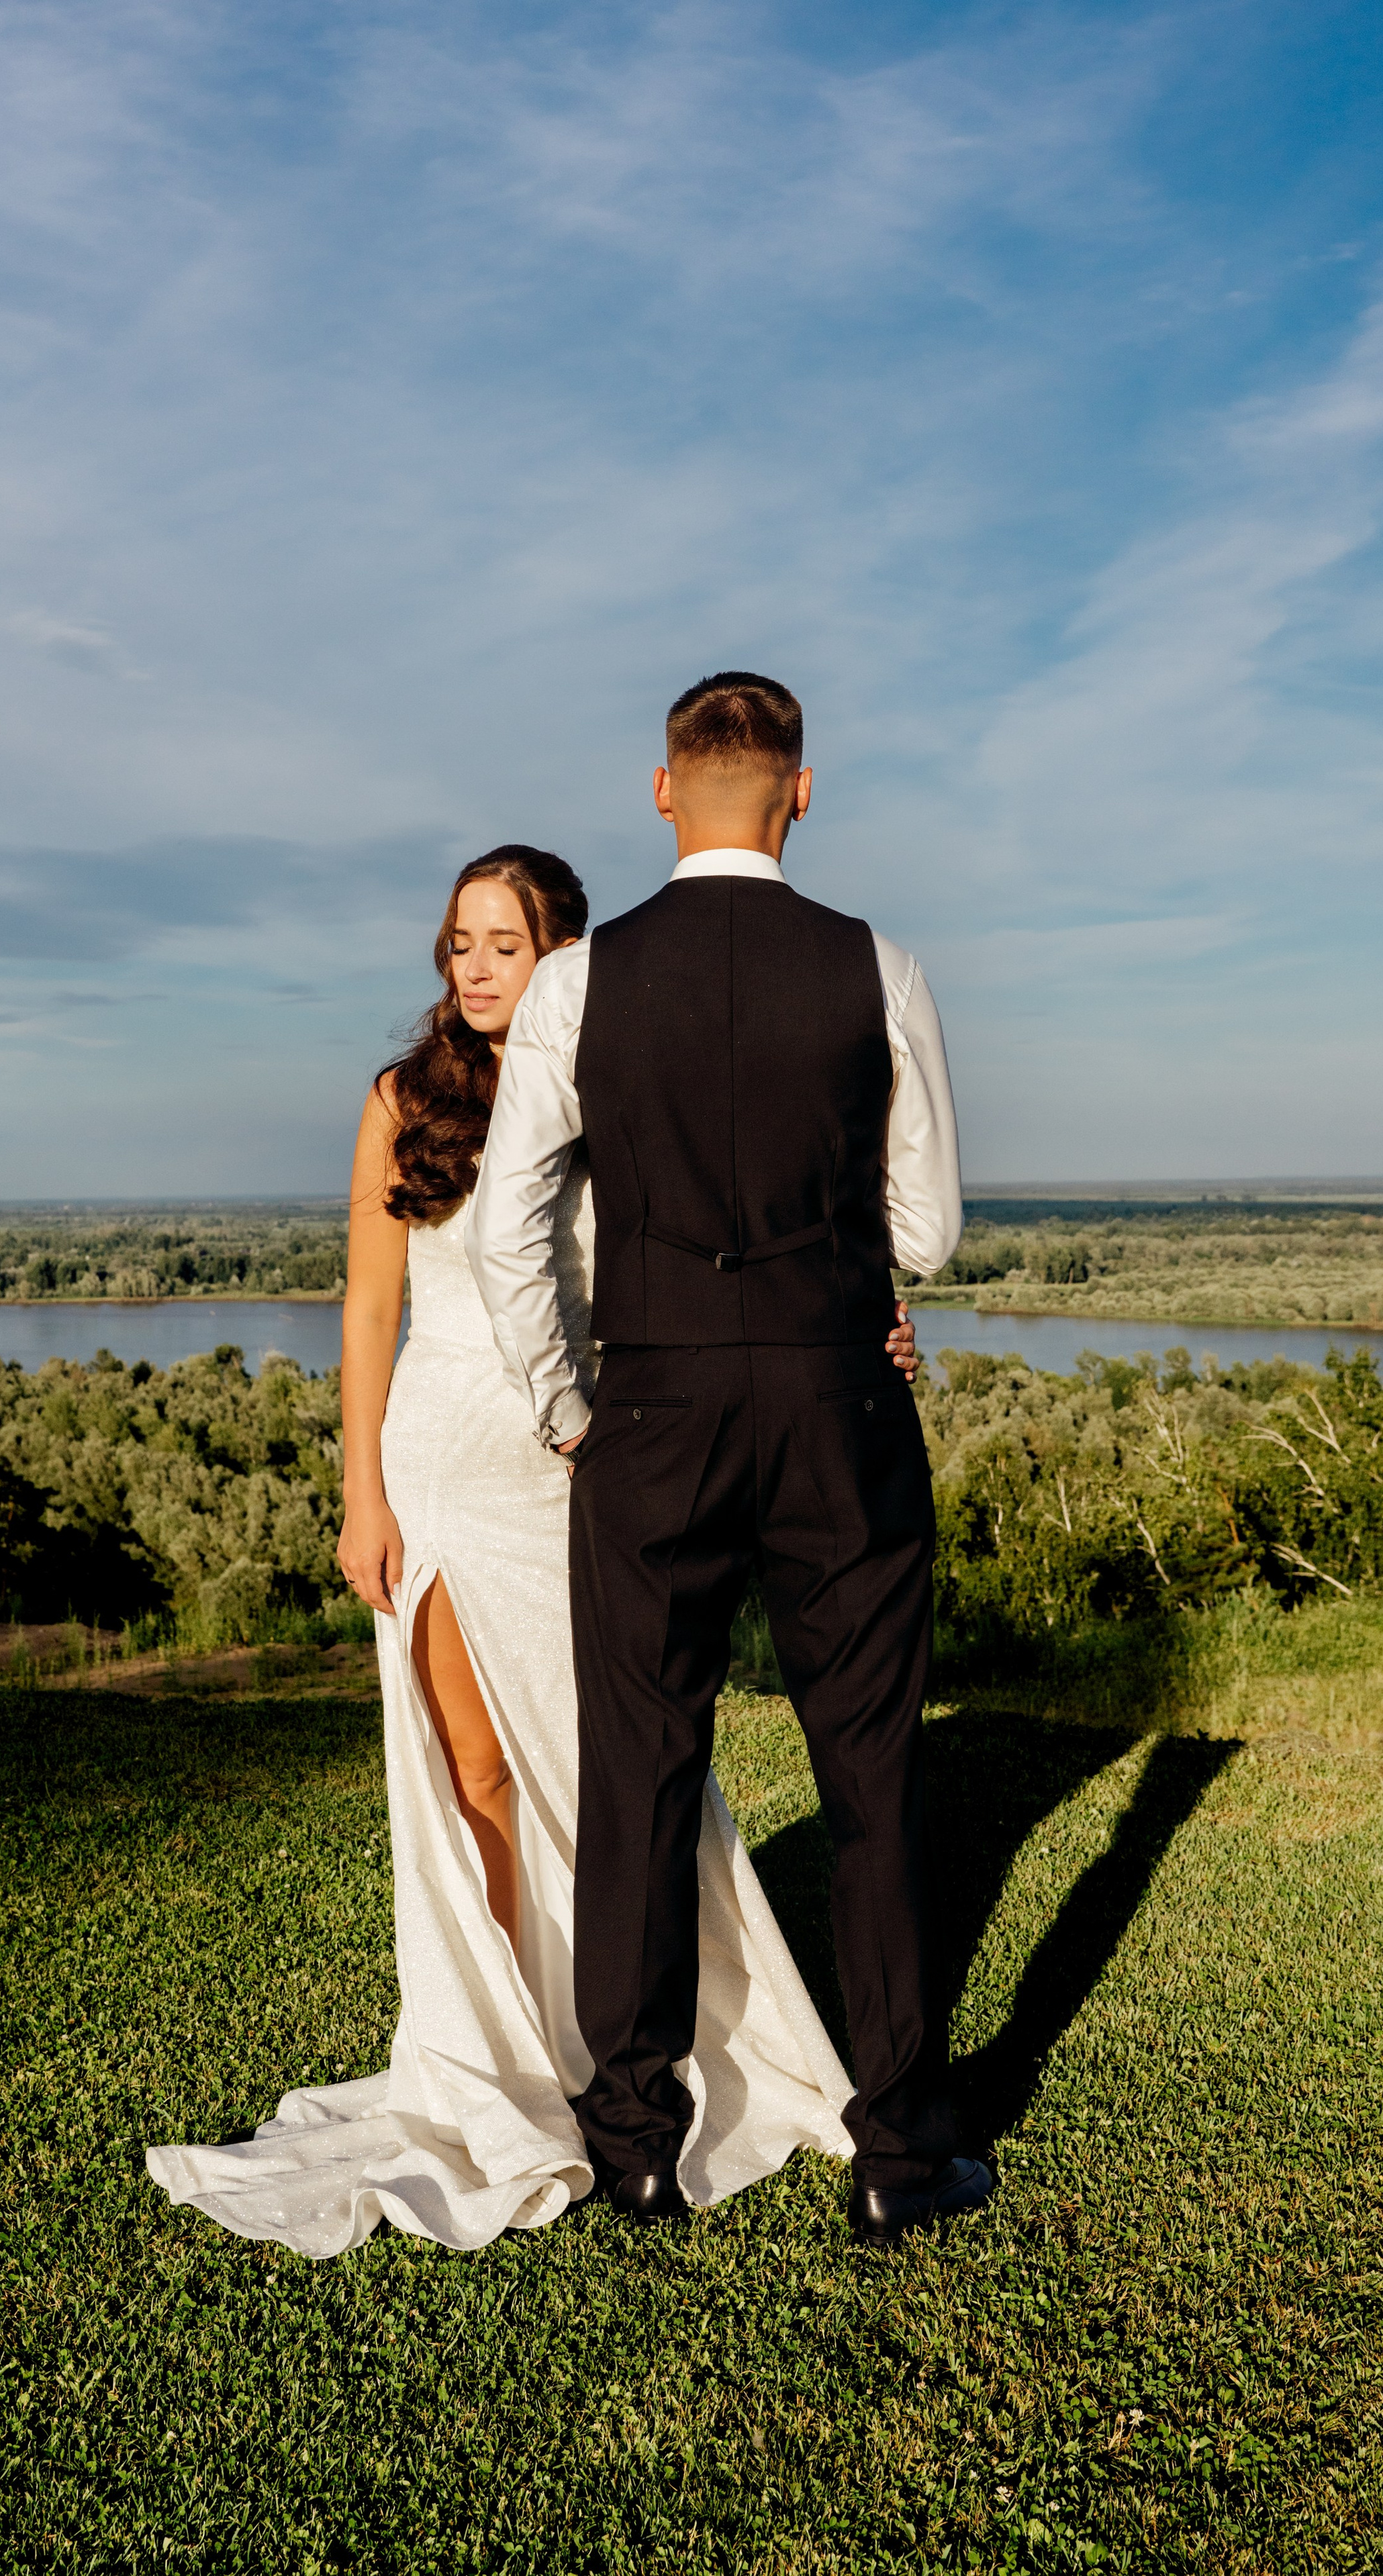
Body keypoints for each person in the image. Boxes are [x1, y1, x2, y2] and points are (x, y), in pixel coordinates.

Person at [146, 842, 920, 2257]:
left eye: (503, 942)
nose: (476, 967)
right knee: (477, 1770)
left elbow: (733, 1251)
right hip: (443, 1461)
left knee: (627, 1769)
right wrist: (361, 1493)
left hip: (599, 1464)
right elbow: (368, 1309)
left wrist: (855, 1328)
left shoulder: (615, 1074)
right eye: (460, 943)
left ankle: (633, 2045)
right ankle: (506, 2051)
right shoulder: (402, 1101)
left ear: (563, 953)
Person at [466, 675, 995, 2246]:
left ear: (660, 790)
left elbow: (507, 1230)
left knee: (637, 1767)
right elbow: (926, 1231)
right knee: (871, 1769)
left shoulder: (578, 983)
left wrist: (569, 1407)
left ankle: (634, 2136)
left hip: (651, 1412)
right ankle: (897, 2149)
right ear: (799, 792)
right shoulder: (875, 964)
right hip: (836, 1397)